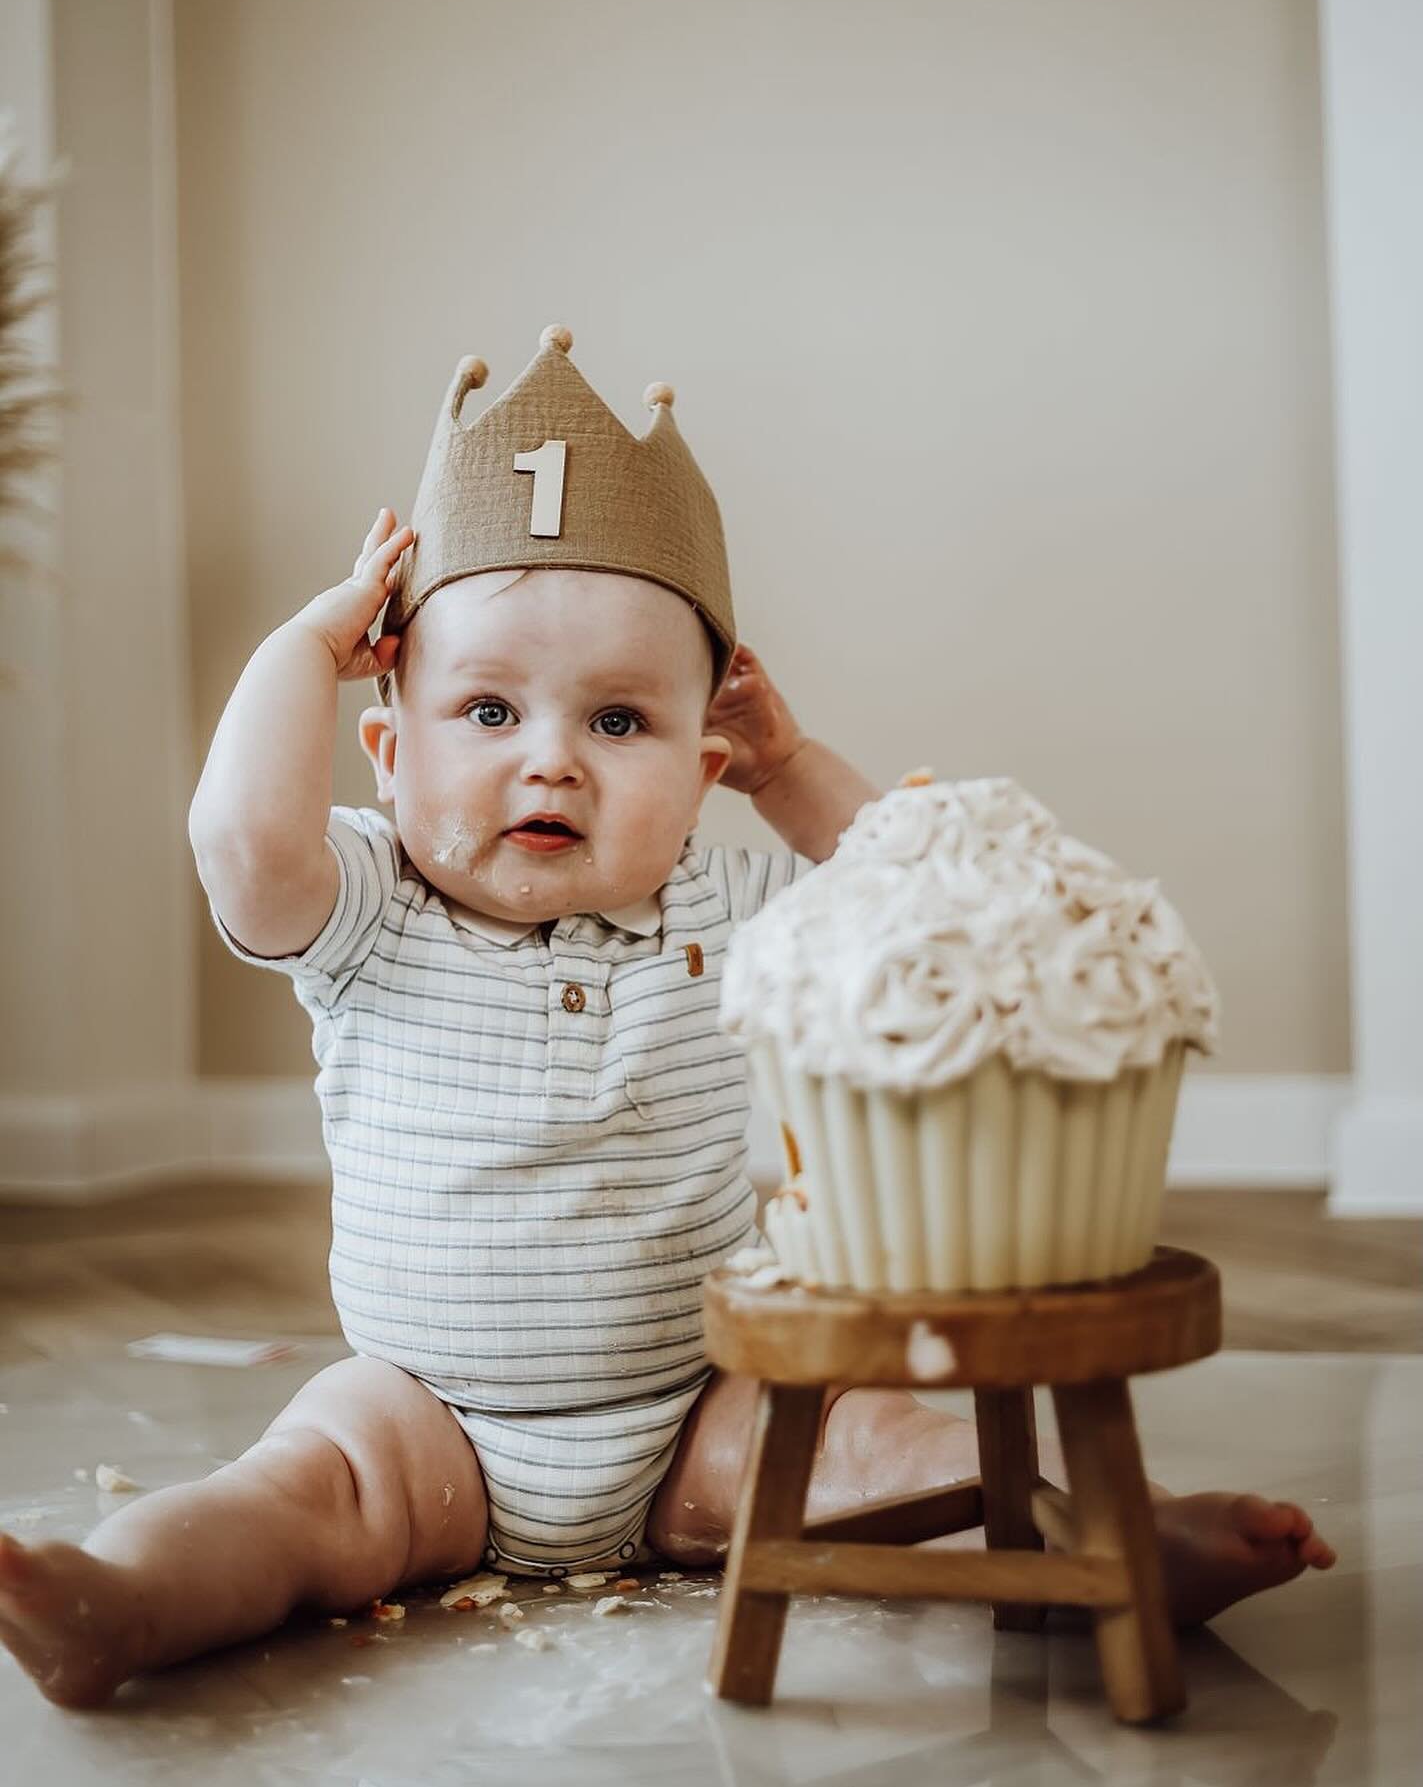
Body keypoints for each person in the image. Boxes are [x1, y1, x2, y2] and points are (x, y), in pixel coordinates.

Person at [0, 330, 1334, 1706]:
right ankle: (126, 1591)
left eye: (621, 720)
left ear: (703, 772)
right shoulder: (369, 901)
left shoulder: (719, 898)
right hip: (426, 1416)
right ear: (390, 753)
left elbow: (917, 891)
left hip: (703, 1407)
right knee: (288, 1494)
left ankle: (1120, 1536)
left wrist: (795, 769)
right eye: (489, 706)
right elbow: (235, 839)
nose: (551, 756)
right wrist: (304, 642)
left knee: (895, 1448)